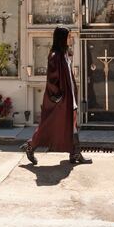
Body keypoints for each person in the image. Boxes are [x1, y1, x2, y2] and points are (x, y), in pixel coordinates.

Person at [21, 25, 92, 165]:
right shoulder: (55, 56)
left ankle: (75, 154)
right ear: (61, 38)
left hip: (68, 98)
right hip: (60, 101)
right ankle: (31, 146)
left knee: (72, 126)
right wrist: (58, 97)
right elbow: (52, 79)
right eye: (68, 36)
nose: (70, 38)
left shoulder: (64, 54)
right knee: (49, 126)